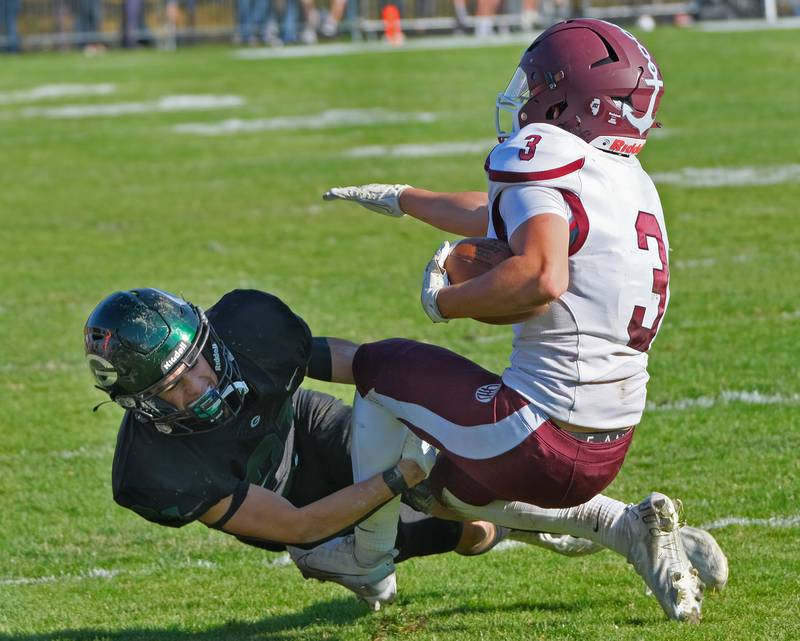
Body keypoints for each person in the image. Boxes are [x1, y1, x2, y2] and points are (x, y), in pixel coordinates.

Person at [303, 19, 719, 622]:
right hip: (610, 439)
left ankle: (366, 559)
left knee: (381, 368)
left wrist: (445, 302)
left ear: (570, 98)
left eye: (538, 84)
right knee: (436, 492)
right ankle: (626, 528)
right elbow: (507, 215)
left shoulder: (549, 154)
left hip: (533, 431)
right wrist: (404, 198)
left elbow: (541, 274)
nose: (526, 97)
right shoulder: (628, 181)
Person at [84, 287, 517, 609]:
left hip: (309, 426)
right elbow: (300, 525)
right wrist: (400, 475)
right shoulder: (154, 472)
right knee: (458, 532)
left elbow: (357, 365)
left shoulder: (246, 330)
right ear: (140, 403)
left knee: (445, 490)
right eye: (173, 385)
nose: (200, 384)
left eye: (195, 361)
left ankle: (549, 514)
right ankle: (504, 530)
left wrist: (411, 384)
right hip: (288, 505)